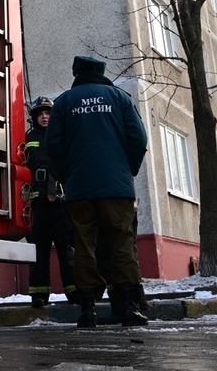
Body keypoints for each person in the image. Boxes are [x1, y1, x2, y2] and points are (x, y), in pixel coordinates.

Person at [46, 55, 149, 328]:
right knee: (122, 244)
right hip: (117, 186)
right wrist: (129, 170)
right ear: (100, 72)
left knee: (83, 246)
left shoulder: (64, 102)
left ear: (76, 73)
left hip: (80, 188)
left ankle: (88, 311)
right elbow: (138, 138)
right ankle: (130, 308)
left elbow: (53, 144)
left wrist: (67, 177)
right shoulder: (120, 98)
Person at [24, 96, 78, 308]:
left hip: (61, 203)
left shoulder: (63, 136)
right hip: (38, 203)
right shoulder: (28, 138)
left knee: (67, 249)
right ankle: (39, 294)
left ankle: (74, 291)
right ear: (34, 118)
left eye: (48, 114)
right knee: (38, 249)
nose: (45, 117)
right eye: (40, 114)